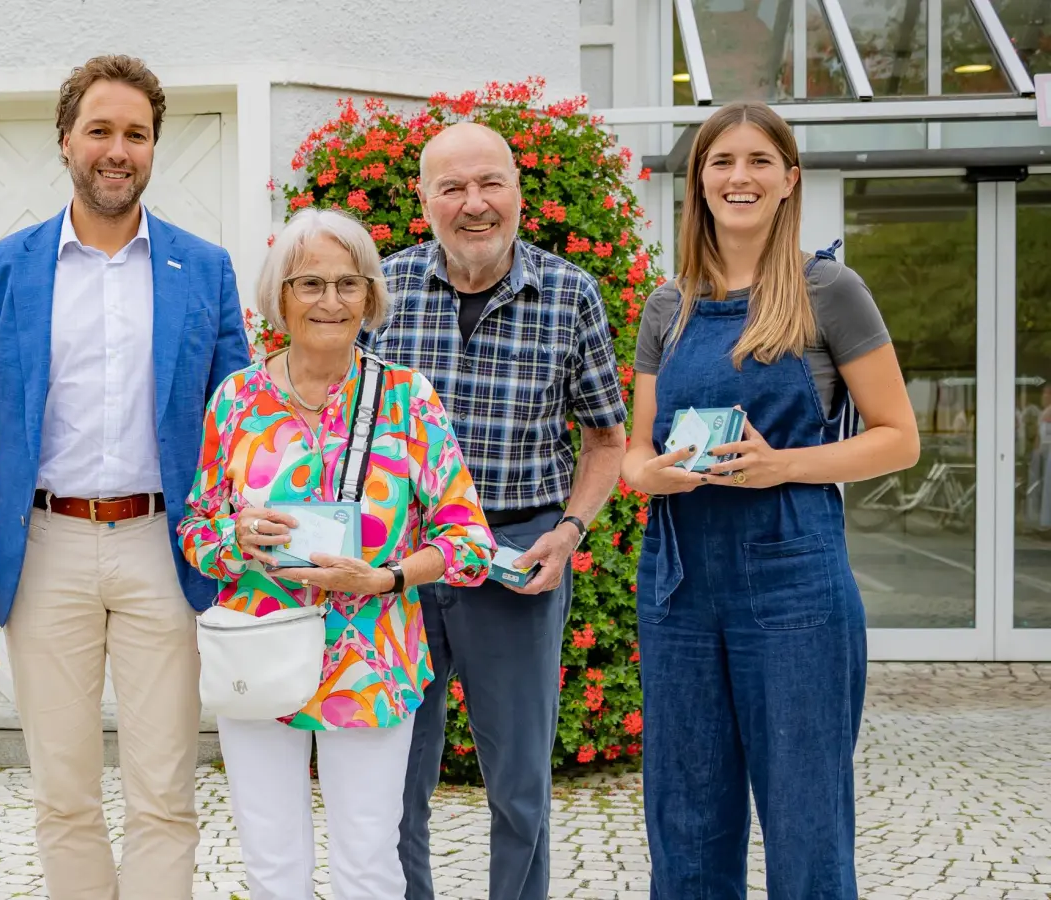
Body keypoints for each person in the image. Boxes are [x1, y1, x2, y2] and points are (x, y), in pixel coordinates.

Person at [0, 55, 251, 900]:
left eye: (137, 134)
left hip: (163, 546)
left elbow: (239, 429)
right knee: (64, 793)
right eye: (101, 131)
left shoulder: (205, 269)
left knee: (165, 791)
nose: (119, 149)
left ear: (154, 147)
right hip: (46, 549)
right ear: (66, 140)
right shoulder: (2, 271)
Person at [621, 101, 919, 897]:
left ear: (789, 180)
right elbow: (634, 452)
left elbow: (898, 437)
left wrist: (784, 463)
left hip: (795, 584)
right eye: (722, 162)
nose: (739, 177)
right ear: (699, 180)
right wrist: (653, 474)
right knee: (684, 814)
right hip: (679, 585)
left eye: (758, 161)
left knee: (805, 815)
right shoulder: (667, 305)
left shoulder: (830, 290)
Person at [178, 207, 494, 899]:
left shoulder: (409, 399)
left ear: (370, 296)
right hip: (260, 651)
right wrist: (236, 538)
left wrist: (386, 576)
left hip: (373, 658)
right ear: (279, 297)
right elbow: (196, 532)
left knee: (369, 862)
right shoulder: (236, 401)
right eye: (309, 284)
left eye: (348, 284)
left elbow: (470, 541)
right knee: (270, 861)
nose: (330, 301)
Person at [368, 122, 629, 900]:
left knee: (518, 782)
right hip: (407, 558)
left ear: (519, 192)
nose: (473, 204)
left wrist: (570, 531)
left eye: (490, 184)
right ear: (423, 200)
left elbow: (608, 441)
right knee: (395, 777)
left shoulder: (570, 294)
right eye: (452, 187)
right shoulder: (383, 290)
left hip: (519, 548)